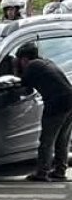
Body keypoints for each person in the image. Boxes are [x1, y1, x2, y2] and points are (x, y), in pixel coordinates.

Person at [15, 42, 72, 181]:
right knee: (62, 140)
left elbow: (24, 88)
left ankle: (42, 172)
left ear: (24, 59)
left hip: (56, 104)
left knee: (47, 140)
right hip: (69, 100)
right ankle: (60, 171)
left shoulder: (32, 66)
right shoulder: (46, 62)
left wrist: (16, 73)